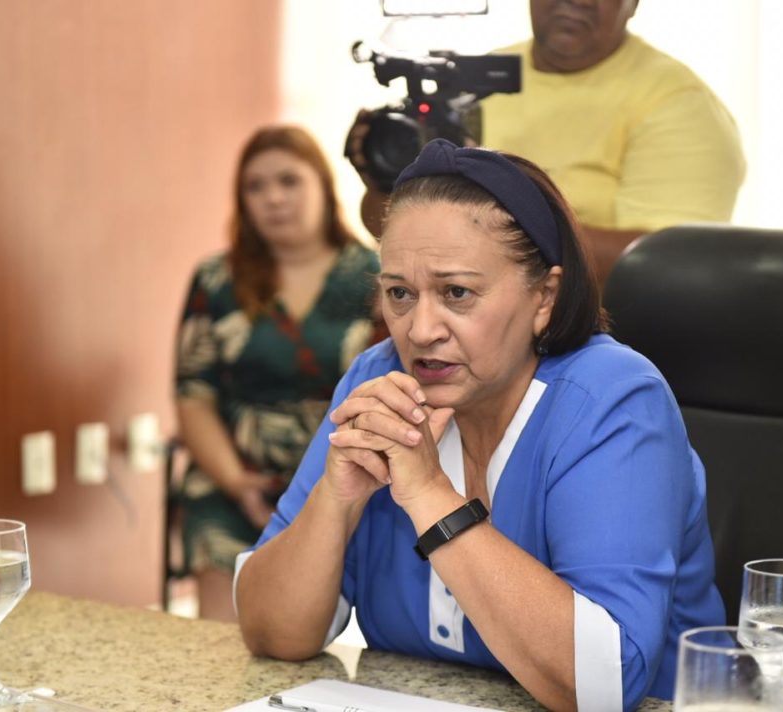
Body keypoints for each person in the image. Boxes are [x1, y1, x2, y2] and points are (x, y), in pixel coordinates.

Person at [236, 139, 724, 711]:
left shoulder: (613, 399)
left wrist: (429, 497)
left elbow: (600, 689)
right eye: (399, 293)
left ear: (544, 297)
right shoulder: (378, 380)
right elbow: (271, 634)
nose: (420, 330)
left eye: (457, 293)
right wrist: (335, 499)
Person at [354, 0, 745, 290]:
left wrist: (498, 222)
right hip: (464, 334)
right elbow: (390, 232)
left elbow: (666, 267)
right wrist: (386, 181)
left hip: (604, 346)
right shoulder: (481, 77)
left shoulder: (677, 102)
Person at [173, 125, 382, 622]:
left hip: (346, 481)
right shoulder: (216, 280)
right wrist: (236, 482)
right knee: (219, 647)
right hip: (234, 482)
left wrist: (328, 493)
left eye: (289, 181)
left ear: (322, 186)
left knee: (301, 633)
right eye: (256, 186)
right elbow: (192, 395)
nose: (273, 198)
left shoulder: (376, 276)